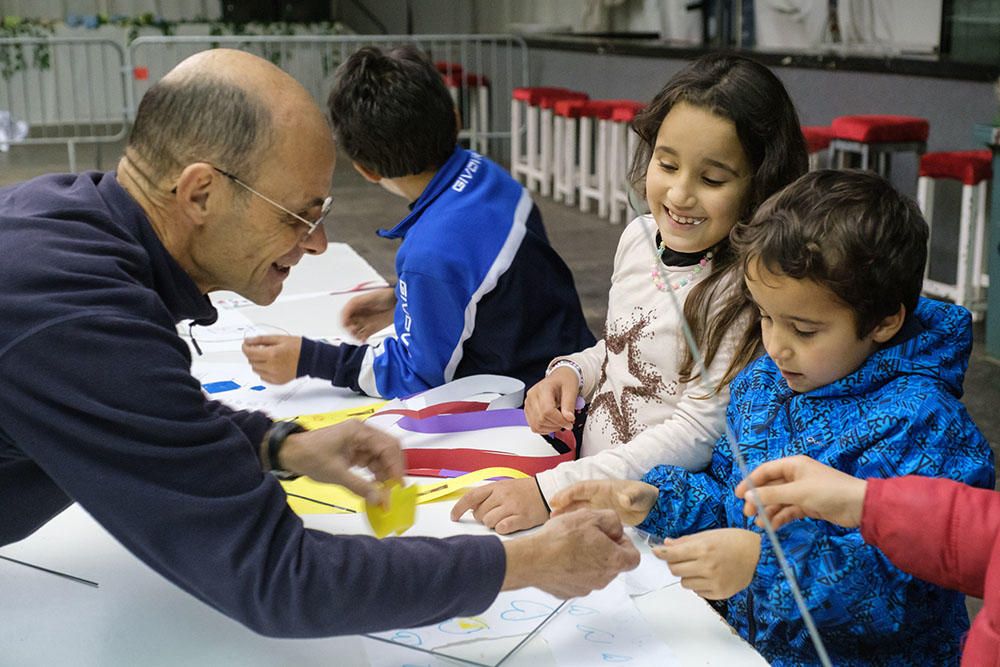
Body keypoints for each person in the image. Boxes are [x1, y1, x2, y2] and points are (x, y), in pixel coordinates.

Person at [0, 49, 639, 638]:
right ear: (201, 192)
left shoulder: (64, 222)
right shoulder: (75, 314)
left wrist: (283, 442)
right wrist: (523, 560)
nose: (318, 243)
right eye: (298, 214)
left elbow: (151, 416)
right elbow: (279, 578)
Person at [548, 170, 995, 665]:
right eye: (764, 315)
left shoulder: (926, 429)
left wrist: (762, 568)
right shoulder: (764, 385)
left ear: (884, 320)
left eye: (804, 329)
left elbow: (900, 594)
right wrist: (655, 499)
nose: (776, 344)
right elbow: (732, 500)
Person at [452, 53, 808, 534]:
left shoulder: (745, 291)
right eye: (667, 164)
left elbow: (699, 432)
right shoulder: (639, 236)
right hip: (583, 484)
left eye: (712, 179)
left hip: (652, 517)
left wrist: (553, 492)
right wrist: (573, 371)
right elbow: (626, 343)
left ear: (761, 185)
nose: (680, 194)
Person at [241, 45, 595, 399]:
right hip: (575, 363)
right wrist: (404, 301)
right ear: (455, 119)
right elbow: (493, 286)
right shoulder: (488, 175)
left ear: (366, 170)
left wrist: (311, 359)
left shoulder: (430, 255)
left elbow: (418, 376)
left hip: (532, 405)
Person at [734, 455, 999, 666]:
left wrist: (762, 565)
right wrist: (867, 502)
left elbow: (895, 597)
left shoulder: (932, 428)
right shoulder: (760, 392)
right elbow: (977, 531)